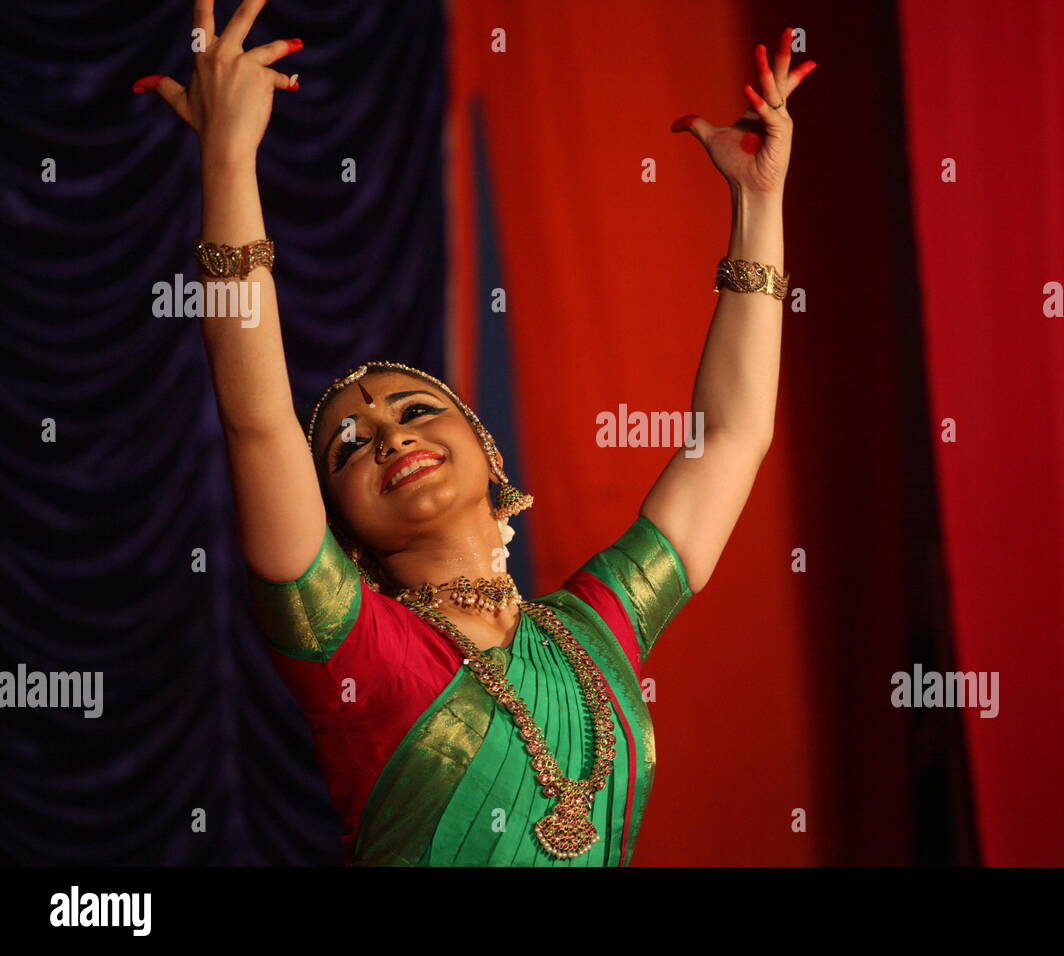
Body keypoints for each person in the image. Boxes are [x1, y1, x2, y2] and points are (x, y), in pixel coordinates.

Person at [135, 0, 815, 865]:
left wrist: (760, 203)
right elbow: (258, 420)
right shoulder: (351, 644)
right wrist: (228, 158)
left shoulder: (594, 628)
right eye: (348, 445)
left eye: (415, 410)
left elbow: (730, 437)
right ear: (333, 521)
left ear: (488, 451)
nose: (385, 434)